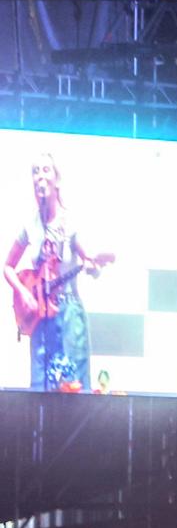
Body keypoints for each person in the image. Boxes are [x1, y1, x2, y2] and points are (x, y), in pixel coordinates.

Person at [4, 152, 111, 394]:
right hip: (41, 315)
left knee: (74, 386)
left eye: (45, 170)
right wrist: (24, 293)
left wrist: (95, 266)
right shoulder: (29, 225)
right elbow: (8, 267)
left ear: (57, 180)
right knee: (41, 385)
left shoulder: (70, 221)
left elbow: (88, 259)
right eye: (35, 171)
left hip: (68, 313)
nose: (40, 176)